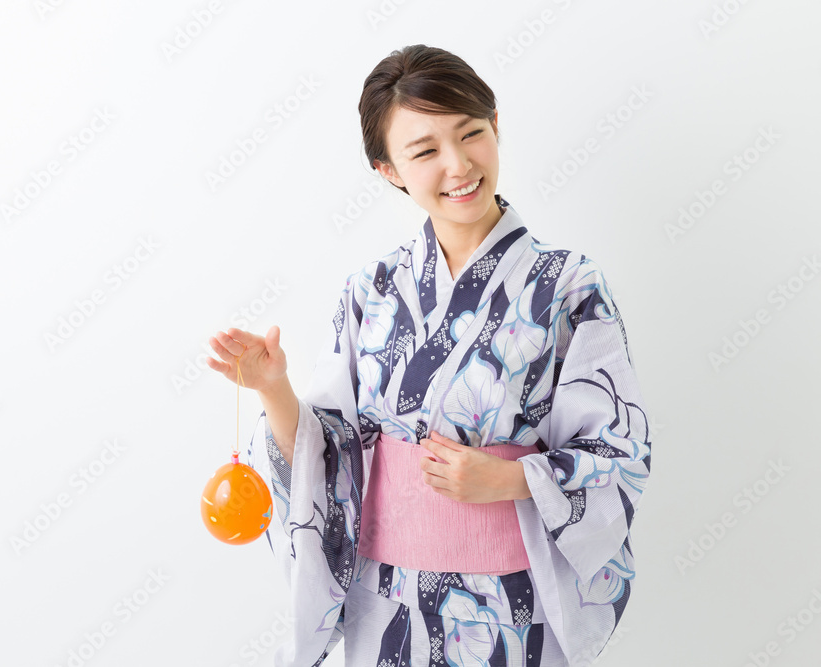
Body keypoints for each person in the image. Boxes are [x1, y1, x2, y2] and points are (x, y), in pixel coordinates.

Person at [207, 44, 652, 667]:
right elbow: (328, 454)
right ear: (388, 168)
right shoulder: (371, 290)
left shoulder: (569, 286)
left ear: (494, 125)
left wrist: (510, 479)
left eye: (471, 133)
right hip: (385, 601)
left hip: (510, 604)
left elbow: (619, 451)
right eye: (424, 151)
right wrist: (272, 386)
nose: (459, 164)